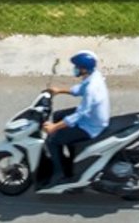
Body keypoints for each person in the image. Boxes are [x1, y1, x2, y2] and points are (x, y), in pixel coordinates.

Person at [41, 50, 110, 189]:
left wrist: (54, 128)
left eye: (77, 67)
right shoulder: (93, 76)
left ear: (83, 69)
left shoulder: (92, 88)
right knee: (58, 115)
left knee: (52, 140)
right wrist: (59, 90)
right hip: (92, 116)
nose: (75, 69)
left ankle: (60, 175)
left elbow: (79, 115)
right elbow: (79, 90)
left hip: (91, 126)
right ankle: (70, 153)